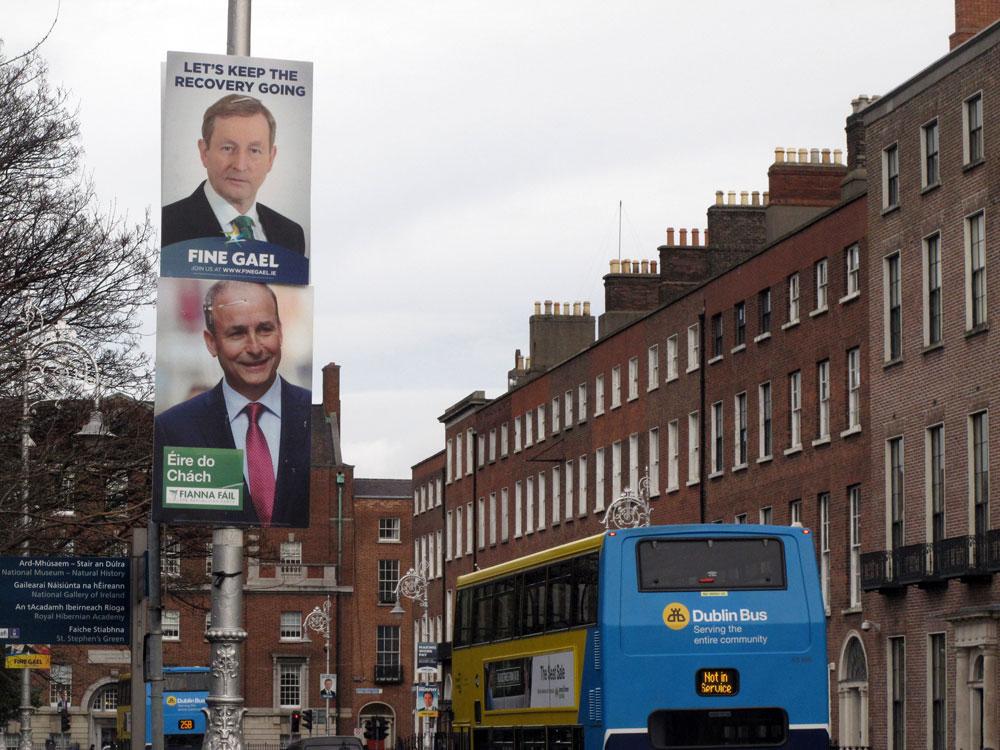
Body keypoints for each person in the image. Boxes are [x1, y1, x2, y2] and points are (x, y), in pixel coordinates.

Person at [154, 280, 310, 527]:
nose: (255, 347)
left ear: (281, 331)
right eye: (237, 333)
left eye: (265, 329)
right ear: (211, 342)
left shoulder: (314, 415)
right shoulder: (174, 429)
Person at [162, 94, 306, 253]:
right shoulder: (165, 226)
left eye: (254, 150)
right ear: (204, 152)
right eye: (228, 148)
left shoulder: (291, 236)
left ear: (271, 159)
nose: (240, 165)